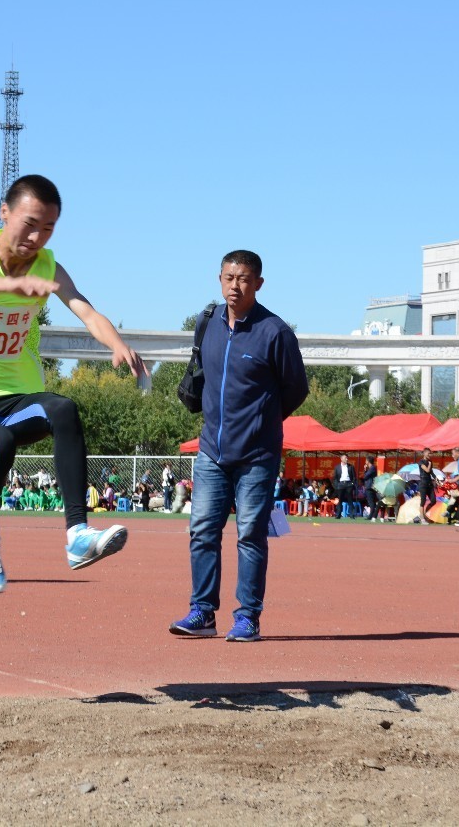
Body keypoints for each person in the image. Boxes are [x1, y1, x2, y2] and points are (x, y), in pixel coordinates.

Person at [0, 175, 144, 595]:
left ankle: (78, 536)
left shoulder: (49, 266)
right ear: (3, 212)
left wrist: (117, 343)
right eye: (29, 223)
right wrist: (12, 284)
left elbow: (86, 311)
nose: (36, 237)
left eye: (48, 229)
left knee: (62, 409)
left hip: (15, 399)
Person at [169, 249, 308, 642]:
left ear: (258, 283)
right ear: (219, 279)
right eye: (230, 278)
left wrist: (262, 424)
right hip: (211, 449)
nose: (236, 286)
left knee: (250, 535)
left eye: (244, 279)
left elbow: (296, 390)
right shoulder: (209, 323)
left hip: (257, 455)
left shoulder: (275, 332)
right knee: (202, 531)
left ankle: (248, 617)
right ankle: (203, 612)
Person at [331, 454, 357, 518]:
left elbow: (354, 477)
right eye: (345, 458)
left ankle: (351, 514)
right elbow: (335, 477)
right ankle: (338, 514)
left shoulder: (351, 466)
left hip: (348, 484)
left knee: (350, 500)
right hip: (340, 484)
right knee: (340, 500)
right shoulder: (337, 467)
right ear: (341, 459)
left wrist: (352, 484)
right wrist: (337, 485)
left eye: (347, 458)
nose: (347, 459)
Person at [362, 456, 379, 521]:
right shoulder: (371, 468)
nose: (365, 462)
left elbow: (365, 476)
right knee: (371, 502)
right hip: (369, 486)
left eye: (366, 461)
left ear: (368, 461)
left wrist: (365, 470)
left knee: (371, 502)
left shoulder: (372, 468)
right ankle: (373, 515)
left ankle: (371, 515)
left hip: (370, 486)